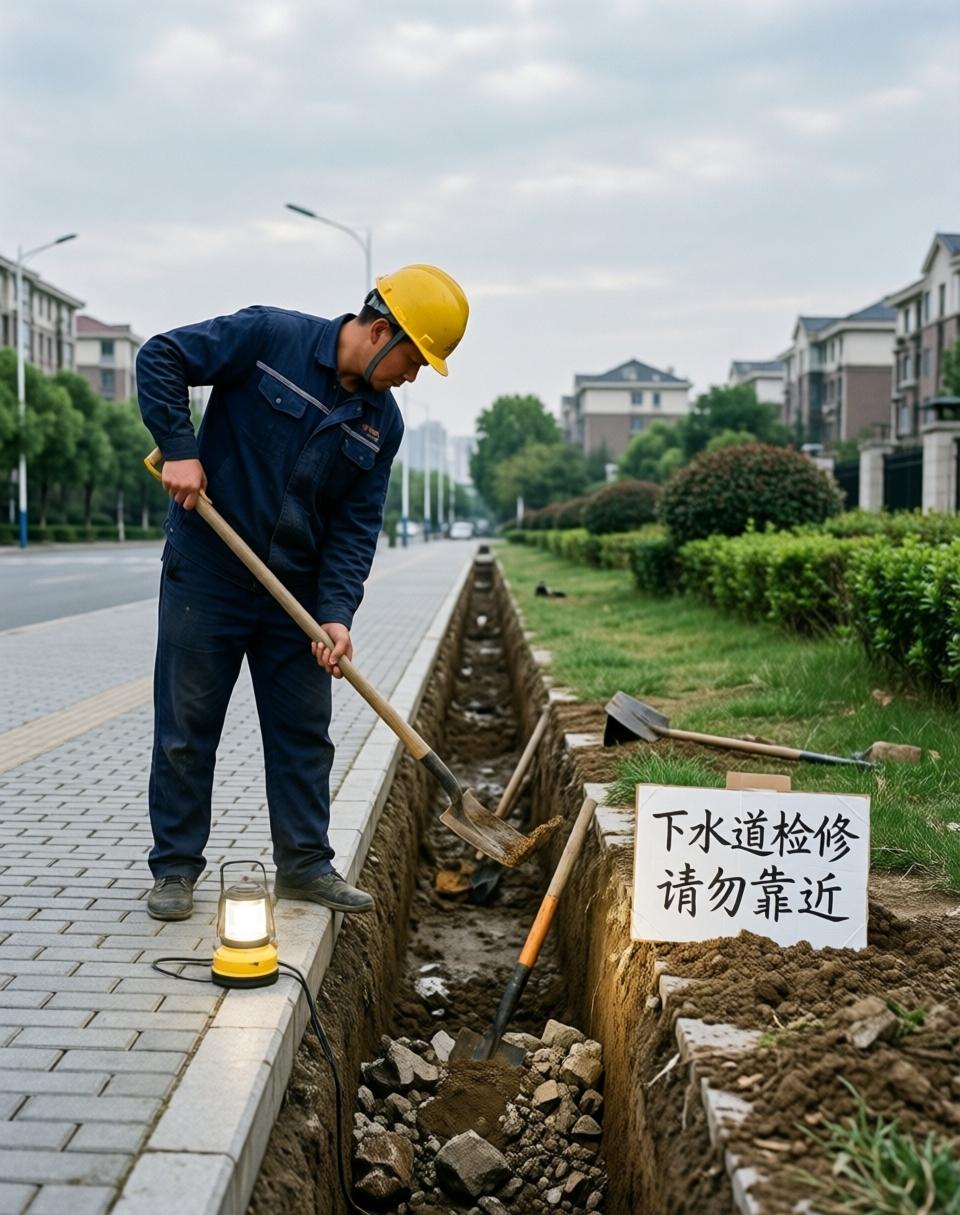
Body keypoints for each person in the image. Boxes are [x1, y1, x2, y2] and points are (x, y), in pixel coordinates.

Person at [136, 265, 469, 921]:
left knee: (303, 734)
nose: (411, 376)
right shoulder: (268, 339)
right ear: (380, 331)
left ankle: (306, 865)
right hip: (209, 573)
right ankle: (175, 867)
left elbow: (355, 524)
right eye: (413, 359)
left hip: (295, 593)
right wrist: (179, 447)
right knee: (186, 726)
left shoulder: (383, 423)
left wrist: (337, 615)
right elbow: (161, 357)